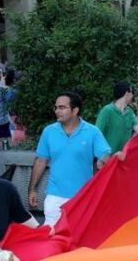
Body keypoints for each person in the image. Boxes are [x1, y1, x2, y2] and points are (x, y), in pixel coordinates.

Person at [29, 92, 112, 228]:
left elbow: (105, 154)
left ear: (75, 110)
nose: (57, 111)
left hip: (83, 197)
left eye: (62, 108)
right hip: (54, 197)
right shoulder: (49, 131)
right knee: (51, 238)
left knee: (79, 239)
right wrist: (32, 189)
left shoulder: (92, 131)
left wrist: (103, 160)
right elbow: (40, 161)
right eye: (56, 107)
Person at [97, 81, 138, 152]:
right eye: (132, 92)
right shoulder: (107, 111)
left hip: (123, 157)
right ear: (127, 93)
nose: (132, 95)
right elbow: (97, 134)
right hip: (108, 159)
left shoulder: (129, 111)